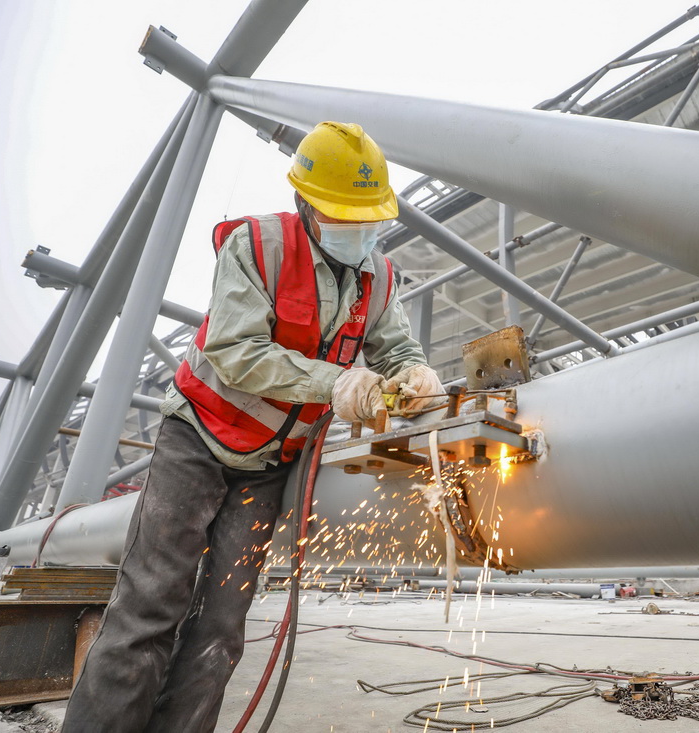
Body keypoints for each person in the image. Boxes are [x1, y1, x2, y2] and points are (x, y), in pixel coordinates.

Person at [63, 121, 443, 732]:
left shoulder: (380, 278)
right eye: (346, 220)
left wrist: (415, 373)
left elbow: (393, 348)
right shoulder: (258, 246)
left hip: (268, 466)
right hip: (199, 441)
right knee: (149, 608)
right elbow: (235, 350)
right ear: (306, 206)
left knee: (219, 631)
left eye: (369, 220)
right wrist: (333, 383)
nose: (360, 233)